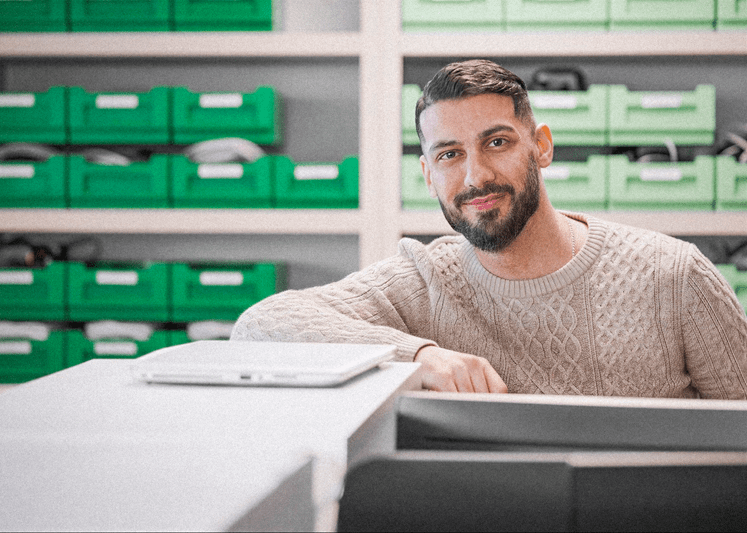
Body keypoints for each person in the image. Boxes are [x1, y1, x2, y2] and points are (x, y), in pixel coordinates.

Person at [231, 59, 747, 399]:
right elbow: (261, 325)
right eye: (449, 155)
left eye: (497, 143)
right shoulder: (424, 280)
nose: (475, 176)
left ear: (541, 146)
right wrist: (419, 356)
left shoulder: (674, 276)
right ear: (428, 174)